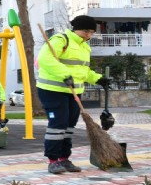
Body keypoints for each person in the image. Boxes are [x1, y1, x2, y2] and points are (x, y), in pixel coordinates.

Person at [37, 15, 110, 174]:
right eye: (86, 31)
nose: (88, 35)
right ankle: (53, 160)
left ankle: (64, 159)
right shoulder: (61, 40)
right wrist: (64, 74)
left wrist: (98, 79)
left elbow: (82, 71)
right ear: (76, 28)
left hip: (73, 91)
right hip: (52, 90)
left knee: (69, 126)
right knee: (58, 125)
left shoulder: (84, 47)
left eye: (91, 32)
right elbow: (44, 59)